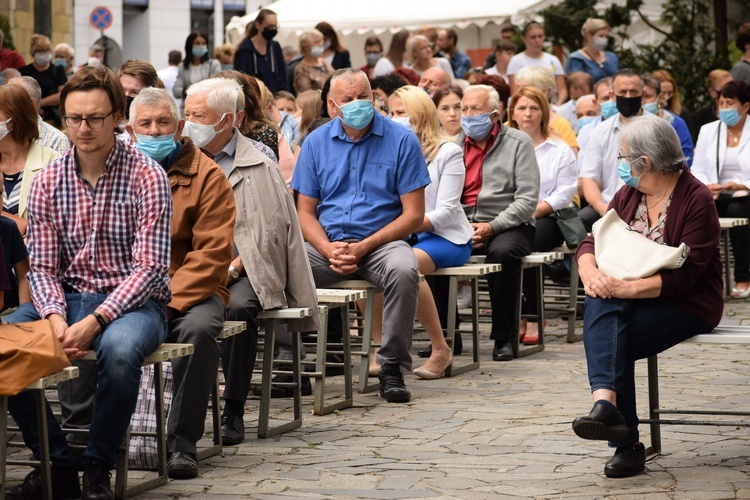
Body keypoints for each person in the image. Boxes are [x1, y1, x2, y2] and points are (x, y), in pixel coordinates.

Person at [3, 65, 172, 500]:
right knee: (4, 344)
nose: (83, 128)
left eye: (95, 118)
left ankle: (98, 465)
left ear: (117, 116)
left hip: (135, 303)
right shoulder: (47, 181)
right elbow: (40, 268)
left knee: (118, 353)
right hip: (68, 298)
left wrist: (95, 320)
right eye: (74, 118)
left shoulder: (147, 174)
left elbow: (151, 269)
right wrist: (55, 317)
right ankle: (58, 464)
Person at [572, 114, 722, 479]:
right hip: (631, 296)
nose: (620, 166)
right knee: (603, 303)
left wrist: (623, 288)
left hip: (687, 301)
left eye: (624, 158)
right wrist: (589, 272)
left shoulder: (696, 197)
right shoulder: (630, 193)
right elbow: (594, 239)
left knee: (610, 334)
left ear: (645, 162)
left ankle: (623, 440)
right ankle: (606, 409)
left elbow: (687, 276)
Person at [180, 77, 317, 444]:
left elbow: (268, 231)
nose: (189, 121)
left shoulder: (259, 161)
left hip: (242, 270)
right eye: (187, 113)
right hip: (185, 268)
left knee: (240, 307)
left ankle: (234, 407)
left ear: (229, 120)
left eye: (198, 115)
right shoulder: (175, 159)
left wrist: (234, 267)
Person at [291, 68, 431, 403]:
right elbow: (304, 213)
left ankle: (391, 366)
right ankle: (288, 364)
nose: (358, 104)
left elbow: (414, 215)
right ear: (332, 105)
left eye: (363, 96)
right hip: (329, 244)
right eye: (348, 99)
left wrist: (366, 244)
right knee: (280, 268)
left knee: (404, 269)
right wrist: (326, 248)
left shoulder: (401, 139)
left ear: (374, 97)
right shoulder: (315, 142)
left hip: (381, 241)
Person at [126, 87, 236, 480]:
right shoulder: (116, 172)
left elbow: (211, 256)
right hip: (127, 289)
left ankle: (182, 442)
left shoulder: (208, 175)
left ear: (179, 126)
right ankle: (93, 435)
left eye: (163, 123)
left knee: (199, 330)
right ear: (130, 128)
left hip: (187, 288)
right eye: (146, 124)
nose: (155, 131)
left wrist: (167, 302)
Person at [383, 85, 473, 378]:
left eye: (401, 113)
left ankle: (440, 348)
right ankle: (378, 346)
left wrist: (405, 223)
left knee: (407, 265)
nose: (394, 119)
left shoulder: (449, 151)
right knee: (360, 262)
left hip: (446, 236)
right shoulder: (390, 150)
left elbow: (446, 211)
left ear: (419, 115)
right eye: (391, 112)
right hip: (405, 235)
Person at [457, 84, 539, 361]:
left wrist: (492, 226)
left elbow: (527, 200)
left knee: (502, 253)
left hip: (511, 224)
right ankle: (448, 336)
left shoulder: (518, 142)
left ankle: (504, 337)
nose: (468, 115)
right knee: (431, 249)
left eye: (475, 109)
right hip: (464, 222)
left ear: (494, 114)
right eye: (464, 109)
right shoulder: (454, 144)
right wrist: (462, 225)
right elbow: (444, 197)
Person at [508, 85, 577, 345]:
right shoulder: (503, 146)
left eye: (534, 108)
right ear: (512, 112)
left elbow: (565, 192)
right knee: (505, 246)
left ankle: (533, 315)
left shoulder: (559, 149)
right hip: (511, 215)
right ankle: (517, 315)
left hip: (549, 216)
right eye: (522, 108)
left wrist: (534, 209)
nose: (528, 114)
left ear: (543, 113)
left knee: (528, 244)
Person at [691, 80, 750, 298]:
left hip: (745, 195)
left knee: (737, 209)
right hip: (717, 194)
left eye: (730, 103)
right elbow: (696, 169)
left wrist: (742, 184)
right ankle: (701, 278)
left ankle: (743, 278)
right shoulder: (709, 131)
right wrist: (707, 186)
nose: (724, 108)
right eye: (721, 103)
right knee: (700, 209)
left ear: (745, 106)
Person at [579, 69, 647, 231]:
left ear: (643, 95)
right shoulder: (600, 131)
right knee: (580, 221)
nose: (629, 97)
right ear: (612, 95)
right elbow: (589, 178)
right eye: (623, 92)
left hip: (649, 206)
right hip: (608, 205)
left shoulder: (659, 128)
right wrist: (602, 208)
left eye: (634, 91)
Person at [0, 84, 60, 236]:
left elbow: (60, 223)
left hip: (37, 256)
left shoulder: (53, 163)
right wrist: (20, 225)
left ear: (13, 121)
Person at [514, 66, 578, 155]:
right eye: (518, 88)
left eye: (526, 88)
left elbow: (572, 160)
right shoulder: (510, 124)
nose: (520, 92)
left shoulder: (561, 125)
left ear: (544, 91)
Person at [8, 76, 71, 154]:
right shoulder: (3, 133)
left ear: (31, 104)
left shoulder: (56, 140)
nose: (4, 103)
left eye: (11, 98)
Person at [507, 22, 567, 104]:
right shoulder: (516, 61)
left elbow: (562, 89)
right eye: (533, 37)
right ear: (524, 39)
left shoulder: (553, 60)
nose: (537, 40)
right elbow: (514, 91)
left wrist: (557, 106)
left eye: (540, 36)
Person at [641, 73, 693, 166]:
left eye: (648, 96)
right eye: (640, 96)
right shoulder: (628, 121)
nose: (643, 101)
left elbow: (686, 157)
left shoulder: (675, 122)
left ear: (659, 97)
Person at [234, 8, 289, 93]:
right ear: (258, 25)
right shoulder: (245, 50)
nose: (273, 29)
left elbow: (283, 77)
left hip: (275, 98)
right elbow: (243, 81)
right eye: (270, 26)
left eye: (275, 26)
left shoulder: (275, 46)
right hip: (255, 100)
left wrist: (282, 95)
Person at [19, 34, 67, 127]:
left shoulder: (58, 70)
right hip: (29, 119)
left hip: (53, 119)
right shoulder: (23, 71)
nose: (44, 53)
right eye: (40, 51)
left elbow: (62, 95)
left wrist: (39, 103)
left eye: (47, 50)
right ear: (33, 52)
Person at [173, 32, 221, 112]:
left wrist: (192, 90)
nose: (201, 46)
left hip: (207, 108)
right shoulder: (183, 66)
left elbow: (217, 86)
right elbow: (176, 90)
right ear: (190, 45)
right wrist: (186, 91)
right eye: (197, 43)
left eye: (203, 43)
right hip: (188, 109)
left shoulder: (213, 64)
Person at [565, 18, 619, 83]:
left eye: (606, 36)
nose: (605, 39)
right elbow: (577, 87)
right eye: (601, 36)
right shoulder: (576, 59)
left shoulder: (612, 57)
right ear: (589, 36)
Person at [692, 69, 733, 142]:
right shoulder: (704, 115)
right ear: (712, 92)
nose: (732, 91)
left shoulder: (744, 112)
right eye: (725, 88)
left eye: (733, 86)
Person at [294, 29, 335, 94]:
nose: (320, 44)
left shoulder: (324, 62)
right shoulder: (301, 69)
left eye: (320, 41)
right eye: (316, 42)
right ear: (306, 47)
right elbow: (306, 95)